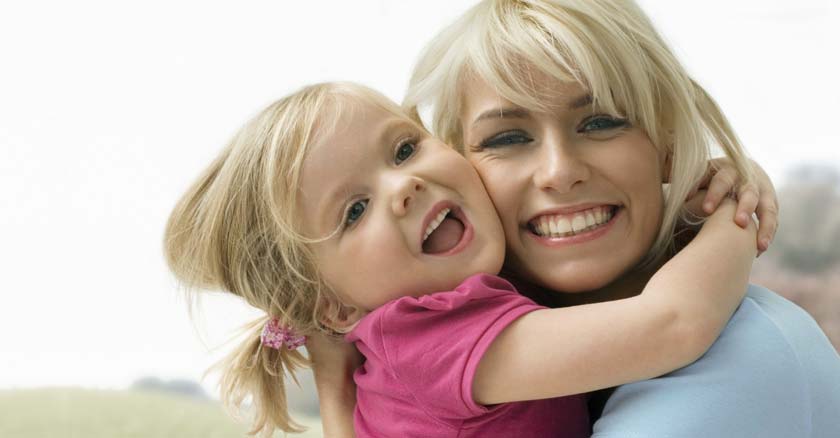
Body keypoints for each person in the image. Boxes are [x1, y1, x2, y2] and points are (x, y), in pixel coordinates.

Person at [314, 0, 840, 436]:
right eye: (507, 138)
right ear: (465, 170)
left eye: (602, 121)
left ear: (669, 144)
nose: (559, 173)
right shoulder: (454, 340)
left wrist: (733, 212)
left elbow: (674, 322)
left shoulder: (742, 369)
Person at [164, 81, 758, 437]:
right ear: (334, 306)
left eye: (402, 149)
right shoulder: (433, 339)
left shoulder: (400, 342)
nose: (404, 187)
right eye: (353, 211)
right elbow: (673, 325)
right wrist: (733, 210)